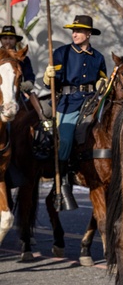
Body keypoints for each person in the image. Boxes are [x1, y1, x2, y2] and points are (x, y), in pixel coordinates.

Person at [43, 15, 108, 209]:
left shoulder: (98, 57)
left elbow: (102, 78)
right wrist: (49, 77)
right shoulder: (62, 53)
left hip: (92, 102)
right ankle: (62, 180)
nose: (75, 34)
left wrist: (101, 83)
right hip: (69, 102)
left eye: (79, 31)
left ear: (88, 34)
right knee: (65, 139)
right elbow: (50, 84)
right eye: (74, 31)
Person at [0, 25, 35, 91]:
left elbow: (30, 79)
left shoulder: (24, 59)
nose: (8, 41)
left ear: (16, 40)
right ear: (1, 40)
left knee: (34, 100)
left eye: (11, 38)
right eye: (5, 38)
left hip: (17, 92)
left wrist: (22, 86)